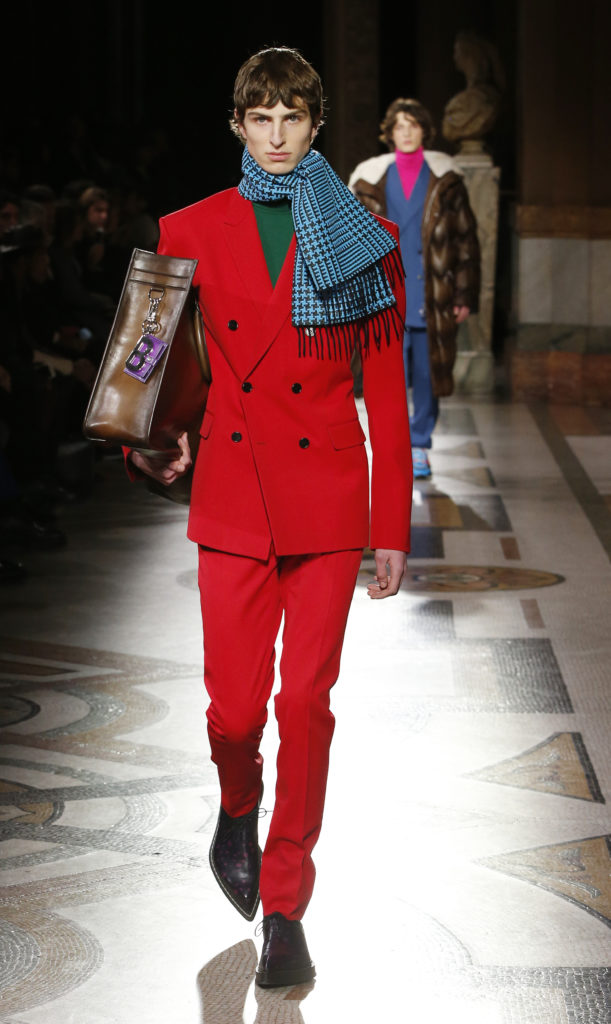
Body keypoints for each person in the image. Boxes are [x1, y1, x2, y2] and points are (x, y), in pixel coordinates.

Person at [125, 47, 412, 988]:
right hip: (234, 491)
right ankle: (238, 802)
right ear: (239, 125)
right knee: (236, 711)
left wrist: (390, 526)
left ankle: (286, 903)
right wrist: (146, 435)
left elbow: (386, 394)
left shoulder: (366, 238)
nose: (278, 135)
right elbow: (152, 358)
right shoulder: (189, 228)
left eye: (293, 117)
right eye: (262, 118)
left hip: (326, 495)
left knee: (304, 706)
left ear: (315, 124)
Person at [348, 97, 481, 478]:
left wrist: (463, 295)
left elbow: (466, 241)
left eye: (413, 125)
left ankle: (419, 444)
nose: (406, 133)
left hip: (432, 292)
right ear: (390, 133)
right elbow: (351, 240)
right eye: (399, 126)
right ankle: (393, 445)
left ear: (425, 130)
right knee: (387, 378)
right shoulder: (369, 179)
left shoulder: (446, 179)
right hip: (384, 294)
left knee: (428, 374)